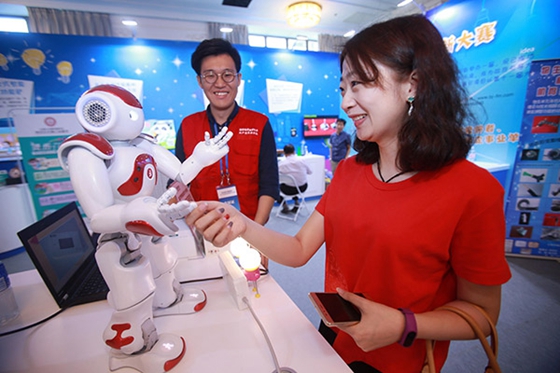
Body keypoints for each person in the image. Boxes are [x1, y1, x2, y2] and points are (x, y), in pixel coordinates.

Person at [185, 15, 511, 373]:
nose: (346, 102)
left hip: (403, 358)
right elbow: (298, 251)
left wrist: (404, 324)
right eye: (343, 88)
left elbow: (481, 316)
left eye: (359, 84)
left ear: (412, 85)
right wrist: (241, 225)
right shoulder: (349, 172)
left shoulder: (473, 191)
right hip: (336, 340)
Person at [174, 38, 279, 227]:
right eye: (210, 75)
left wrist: (256, 234)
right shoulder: (188, 125)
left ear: (238, 79)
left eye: (227, 75)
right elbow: (179, 183)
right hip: (202, 228)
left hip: (248, 227)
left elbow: (269, 185)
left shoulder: (260, 123)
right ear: (200, 81)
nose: (219, 83)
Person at [278, 143, 312, 214]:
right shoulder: (302, 160)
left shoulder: (282, 164)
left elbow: (276, 176)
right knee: (295, 183)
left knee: (275, 189)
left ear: (284, 153)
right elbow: (310, 172)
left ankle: (285, 206)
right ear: (294, 151)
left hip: (288, 190)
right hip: (303, 187)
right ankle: (296, 202)